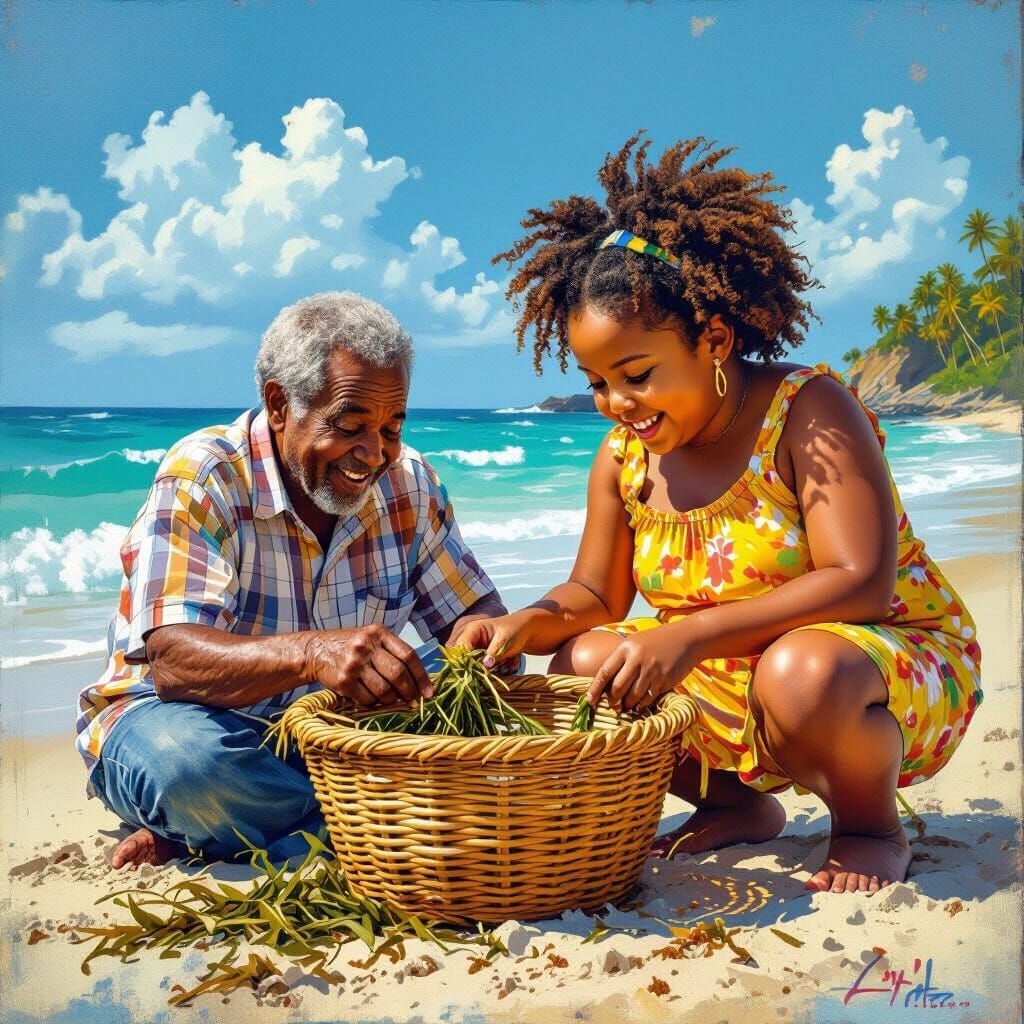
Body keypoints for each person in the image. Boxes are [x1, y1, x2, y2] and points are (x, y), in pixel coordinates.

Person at [456, 134, 982, 895]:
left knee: (800, 672)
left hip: (874, 666)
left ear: (714, 339)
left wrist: (690, 634)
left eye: (636, 375)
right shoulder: (622, 460)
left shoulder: (809, 412)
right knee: (578, 667)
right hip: (730, 669)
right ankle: (739, 804)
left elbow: (860, 582)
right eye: (597, 382)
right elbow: (596, 598)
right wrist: (523, 624)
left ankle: (868, 823)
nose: (616, 405)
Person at [77, 291, 508, 870]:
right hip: (186, 723)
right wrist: (312, 655)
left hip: (335, 737)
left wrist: (482, 641)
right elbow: (174, 662)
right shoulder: (204, 476)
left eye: (391, 427)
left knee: (473, 680)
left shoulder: (410, 483)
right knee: (189, 768)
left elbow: (477, 612)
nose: (374, 453)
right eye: (350, 425)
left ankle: (230, 834)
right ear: (279, 405)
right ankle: (359, 820)